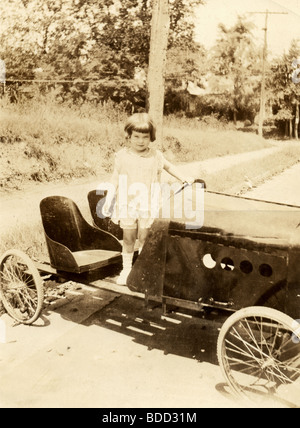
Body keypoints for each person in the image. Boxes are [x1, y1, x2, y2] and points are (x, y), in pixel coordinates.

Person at [102, 112, 195, 285]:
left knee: (145, 237)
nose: (140, 141)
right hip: (127, 203)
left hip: (148, 204)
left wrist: (183, 177)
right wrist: (109, 196)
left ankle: (143, 268)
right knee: (129, 238)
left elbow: (169, 167)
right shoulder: (122, 156)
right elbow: (115, 178)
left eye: (145, 137)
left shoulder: (156, 156)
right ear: (129, 136)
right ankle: (127, 269)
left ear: (150, 137)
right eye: (136, 136)